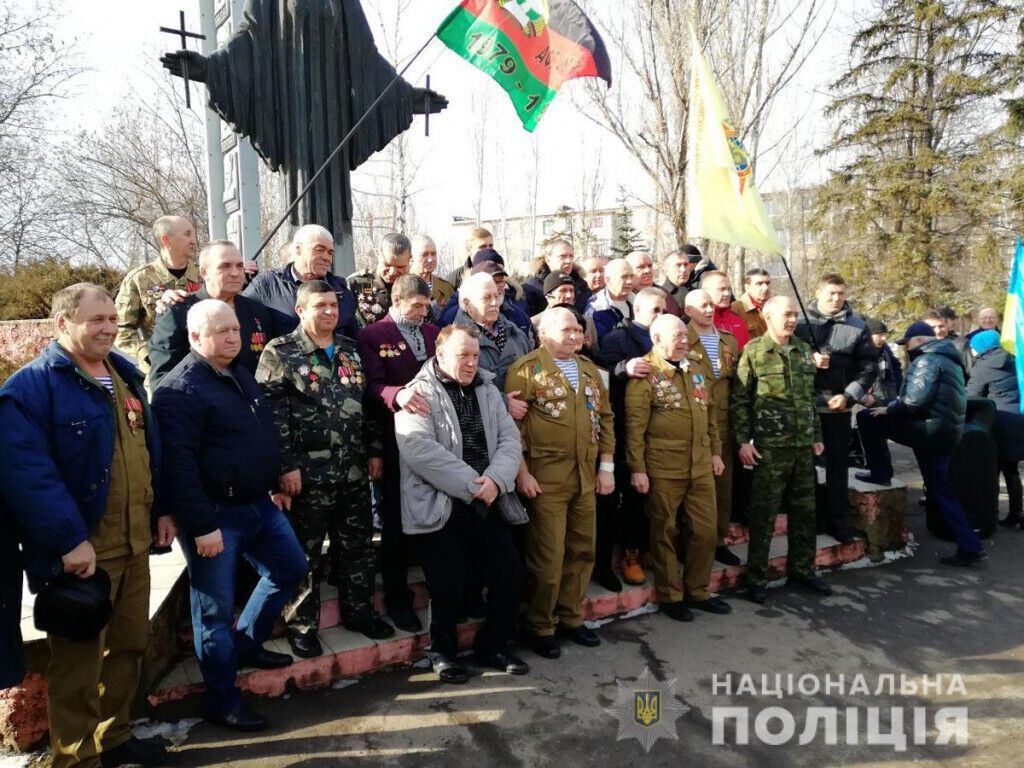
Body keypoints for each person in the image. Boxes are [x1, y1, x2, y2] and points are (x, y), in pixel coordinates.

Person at [0, 283, 175, 768]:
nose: (108, 328)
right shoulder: (30, 390)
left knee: (129, 647)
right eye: (95, 320)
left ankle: (114, 738)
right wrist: (68, 540)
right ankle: (76, 758)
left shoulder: (123, 375)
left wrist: (162, 510)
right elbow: (27, 475)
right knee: (77, 664)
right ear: (62, 325)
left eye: (113, 319)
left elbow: (145, 451)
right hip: (82, 554)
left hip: (135, 541)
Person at [152, 300, 307, 732]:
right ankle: (223, 700)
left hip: (259, 504)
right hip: (215, 515)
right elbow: (178, 466)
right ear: (196, 337)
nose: (233, 338)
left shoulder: (239, 373)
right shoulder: (178, 390)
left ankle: (246, 644)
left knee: (290, 569)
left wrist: (276, 476)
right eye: (221, 331)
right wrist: (202, 526)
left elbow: (262, 432)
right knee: (213, 614)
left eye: (235, 330)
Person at [256, 281, 392, 657]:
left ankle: (359, 612)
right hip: (307, 478)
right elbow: (272, 418)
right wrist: (284, 468)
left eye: (333, 305)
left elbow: (366, 408)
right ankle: (302, 625)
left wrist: (375, 451)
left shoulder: (350, 350)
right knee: (305, 556)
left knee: (358, 549)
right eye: (320, 306)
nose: (330, 312)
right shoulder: (279, 353)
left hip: (352, 472)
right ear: (301, 310)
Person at [395, 325, 529, 682]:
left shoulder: (488, 389)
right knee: (447, 584)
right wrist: (473, 486)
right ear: (440, 356)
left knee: (509, 574)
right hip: (444, 504)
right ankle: (443, 651)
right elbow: (419, 450)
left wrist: (496, 481)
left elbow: (510, 440)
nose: (471, 363)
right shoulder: (417, 393)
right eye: (462, 356)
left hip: (489, 499)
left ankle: (494, 644)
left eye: (474, 355)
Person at [505, 308, 615, 658]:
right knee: (548, 556)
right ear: (544, 333)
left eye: (578, 330)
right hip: (546, 478)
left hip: (585, 474)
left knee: (582, 550)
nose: (575, 336)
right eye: (566, 330)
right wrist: (522, 473)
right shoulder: (525, 370)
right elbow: (512, 431)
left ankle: (571, 617)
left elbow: (606, 419)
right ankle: (541, 625)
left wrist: (607, 467)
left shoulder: (589, 371)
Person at [855, 322, 986, 566]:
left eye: (908, 344)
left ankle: (880, 472)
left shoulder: (926, 361)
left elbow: (913, 402)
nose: (907, 350)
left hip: (928, 432)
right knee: (941, 488)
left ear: (917, 341)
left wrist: (888, 408)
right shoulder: (950, 358)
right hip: (944, 433)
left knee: (867, 418)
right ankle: (969, 543)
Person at [626, 314, 729, 621]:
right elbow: (634, 428)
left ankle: (698, 590)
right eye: (678, 336)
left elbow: (709, 414)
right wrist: (638, 468)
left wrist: (715, 453)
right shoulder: (645, 372)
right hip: (663, 467)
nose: (685, 340)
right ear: (657, 340)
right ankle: (671, 596)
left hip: (699, 464)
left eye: (686, 335)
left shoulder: (696, 366)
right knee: (664, 532)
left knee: (705, 530)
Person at [732, 296, 830, 604]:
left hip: (802, 446)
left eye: (794, 315)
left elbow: (809, 398)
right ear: (768, 317)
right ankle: (756, 579)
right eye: (786, 314)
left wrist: (815, 433)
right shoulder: (754, 352)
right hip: (770, 448)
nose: (792, 320)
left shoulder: (802, 351)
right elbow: (740, 400)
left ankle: (803, 569)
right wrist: (743, 441)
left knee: (806, 512)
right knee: (764, 514)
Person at [359, 276, 441, 633]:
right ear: (397, 299)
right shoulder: (373, 335)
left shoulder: (435, 333)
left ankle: (441, 589)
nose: (423, 313)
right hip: (393, 440)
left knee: (433, 518)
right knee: (394, 524)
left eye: (427, 306)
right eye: (417, 306)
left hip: (434, 440)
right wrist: (397, 394)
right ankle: (397, 599)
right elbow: (370, 387)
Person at [593, 288, 668, 588]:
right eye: (656, 311)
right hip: (624, 430)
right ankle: (626, 556)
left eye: (665, 310)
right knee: (625, 498)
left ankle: (645, 548)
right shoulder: (617, 338)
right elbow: (600, 375)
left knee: (649, 494)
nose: (662, 316)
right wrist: (624, 367)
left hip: (659, 431)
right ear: (637, 310)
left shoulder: (669, 337)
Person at [795, 274, 877, 543]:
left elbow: (868, 366)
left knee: (837, 466)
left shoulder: (857, 325)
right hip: (805, 407)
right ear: (818, 292)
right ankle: (808, 520)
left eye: (840, 293)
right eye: (830, 293)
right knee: (803, 467)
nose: (836, 298)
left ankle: (837, 521)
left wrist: (849, 396)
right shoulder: (799, 322)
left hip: (838, 407)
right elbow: (786, 354)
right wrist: (809, 358)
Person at [148, 240, 278, 391]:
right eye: (225, 266)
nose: (236, 273)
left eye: (239, 266)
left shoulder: (257, 311)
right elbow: (162, 378)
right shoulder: (179, 310)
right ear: (204, 272)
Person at [684, 290, 741, 566]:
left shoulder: (727, 340)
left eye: (710, 304)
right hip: (693, 421)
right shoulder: (681, 339)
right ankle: (688, 541)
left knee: (724, 483)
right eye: (702, 305)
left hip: (724, 421)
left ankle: (718, 540)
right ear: (688, 310)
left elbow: (736, 384)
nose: (709, 309)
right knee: (692, 486)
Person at [114, 215, 202, 372]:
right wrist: (147, 354)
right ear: (166, 240)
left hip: (202, 365)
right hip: (161, 370)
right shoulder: (139, 279)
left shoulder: (204, 275)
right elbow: (120, 329)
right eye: (187, 234)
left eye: (193, 234)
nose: (194, 240)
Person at [243, 224, 359, 337]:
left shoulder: (340, 291)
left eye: (330, 252)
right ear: (298, 249)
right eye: (319, 250)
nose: (326, 258)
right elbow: (237, 313)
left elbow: (354, 340)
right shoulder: (267, 284)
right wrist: (240, 283)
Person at [966, 329, 1022, 528]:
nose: (971, 350)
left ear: (981, 348)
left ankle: (990, 514)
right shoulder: (1014, 360)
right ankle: (1017, 514)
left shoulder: (983, 367)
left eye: (973, 346)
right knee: (1011, 470)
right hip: (1019, 420)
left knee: (991, 471)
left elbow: (972, 396)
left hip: (998, 422)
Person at [452, 272, 535, 396]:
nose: (494, 303)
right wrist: (505, 403)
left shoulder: (516, 333)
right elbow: (459, 390)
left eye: (496, 296)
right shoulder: (456, 341)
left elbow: (535, 369)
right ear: (467, 303)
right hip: (485, 414)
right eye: (487, 298)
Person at [348, 232, 413, 327]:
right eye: (387, 265)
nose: (392, 272)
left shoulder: (414, 287)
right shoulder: (356, 283)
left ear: (410, 259)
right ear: (378, 254)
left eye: (400, 267)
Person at [531, 273, 600, 354]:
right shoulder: (535, 323)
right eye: (563, 291)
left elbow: (596, 354)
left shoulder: (587, 322)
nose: (569, 295)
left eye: (571, 290)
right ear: (548, 296)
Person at [522, 239, 592, 316]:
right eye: (562, 256)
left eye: (571, 256)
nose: (568, 261)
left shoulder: (581, 285)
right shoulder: (531, 287)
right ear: (548, 260)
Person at [700, 271, 751, 350]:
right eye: (722, 289)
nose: (727, 294)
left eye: (729, 289)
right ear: (706, 291)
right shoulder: (699, 319)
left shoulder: (738, 320)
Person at [586, 258, 634, 339]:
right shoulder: (597, 310)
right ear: (608, 280)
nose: (629, 281)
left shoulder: (638, 303)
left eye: (631, 276)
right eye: (624, 277)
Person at [410, 234, 455, 315]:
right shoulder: (402, 286)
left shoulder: (446, 288)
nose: (430, 259)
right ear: (412, 257)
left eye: (433, 254)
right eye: (425, 254)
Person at [863, 318, 903, 406]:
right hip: (866, 406)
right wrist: (864, 397)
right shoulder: (859, 355)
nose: (884, 338)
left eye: (884, 334)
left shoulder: (884, 354)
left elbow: (890, 380)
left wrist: (893, 401)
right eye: (880, 335)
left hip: (886, 406)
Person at [731, 268, 771, 339]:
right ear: (747, 287)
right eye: (759, 284)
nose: (765, 287)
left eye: (767, 283)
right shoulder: (735, 309)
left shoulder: (776, 306)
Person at [658, 249, 693, 315]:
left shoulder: (696, 291)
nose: (683, 269)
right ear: (666, 269)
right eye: (678, 265)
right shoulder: (660, 296)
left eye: (686, 265)